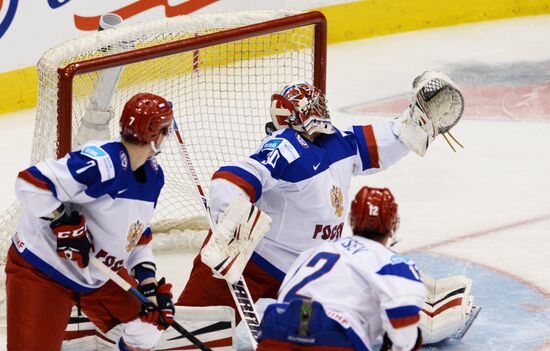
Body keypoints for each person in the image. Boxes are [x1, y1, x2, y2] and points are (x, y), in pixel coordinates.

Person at [176, 71, 464, 324]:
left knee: (347, 325)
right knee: (192, 333)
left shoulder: (335, 142)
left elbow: (385, 139)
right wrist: (230, 224)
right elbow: (232, 178)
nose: (319, 109)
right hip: (249, 263)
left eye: (318, 103)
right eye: (311, 105)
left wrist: (416, 122)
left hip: (310, 273)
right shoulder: (285, 146)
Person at [6, 93, 176, 351]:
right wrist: (63, 221)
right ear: (157, 135)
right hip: (44, 270)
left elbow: (137, 235)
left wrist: (148, 283)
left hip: (98, 276)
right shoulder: (102, 164)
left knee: (151, 323)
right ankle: (64, 316)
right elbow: (31, 183)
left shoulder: (153, 177)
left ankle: (82, 318)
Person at [256, 186, 425, 351]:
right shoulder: (394, 263)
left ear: (352, 220)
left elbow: (285, 294)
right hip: (334, 334)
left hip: (277, 326)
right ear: (393, 225)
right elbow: (403, 316)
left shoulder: (314, 251)